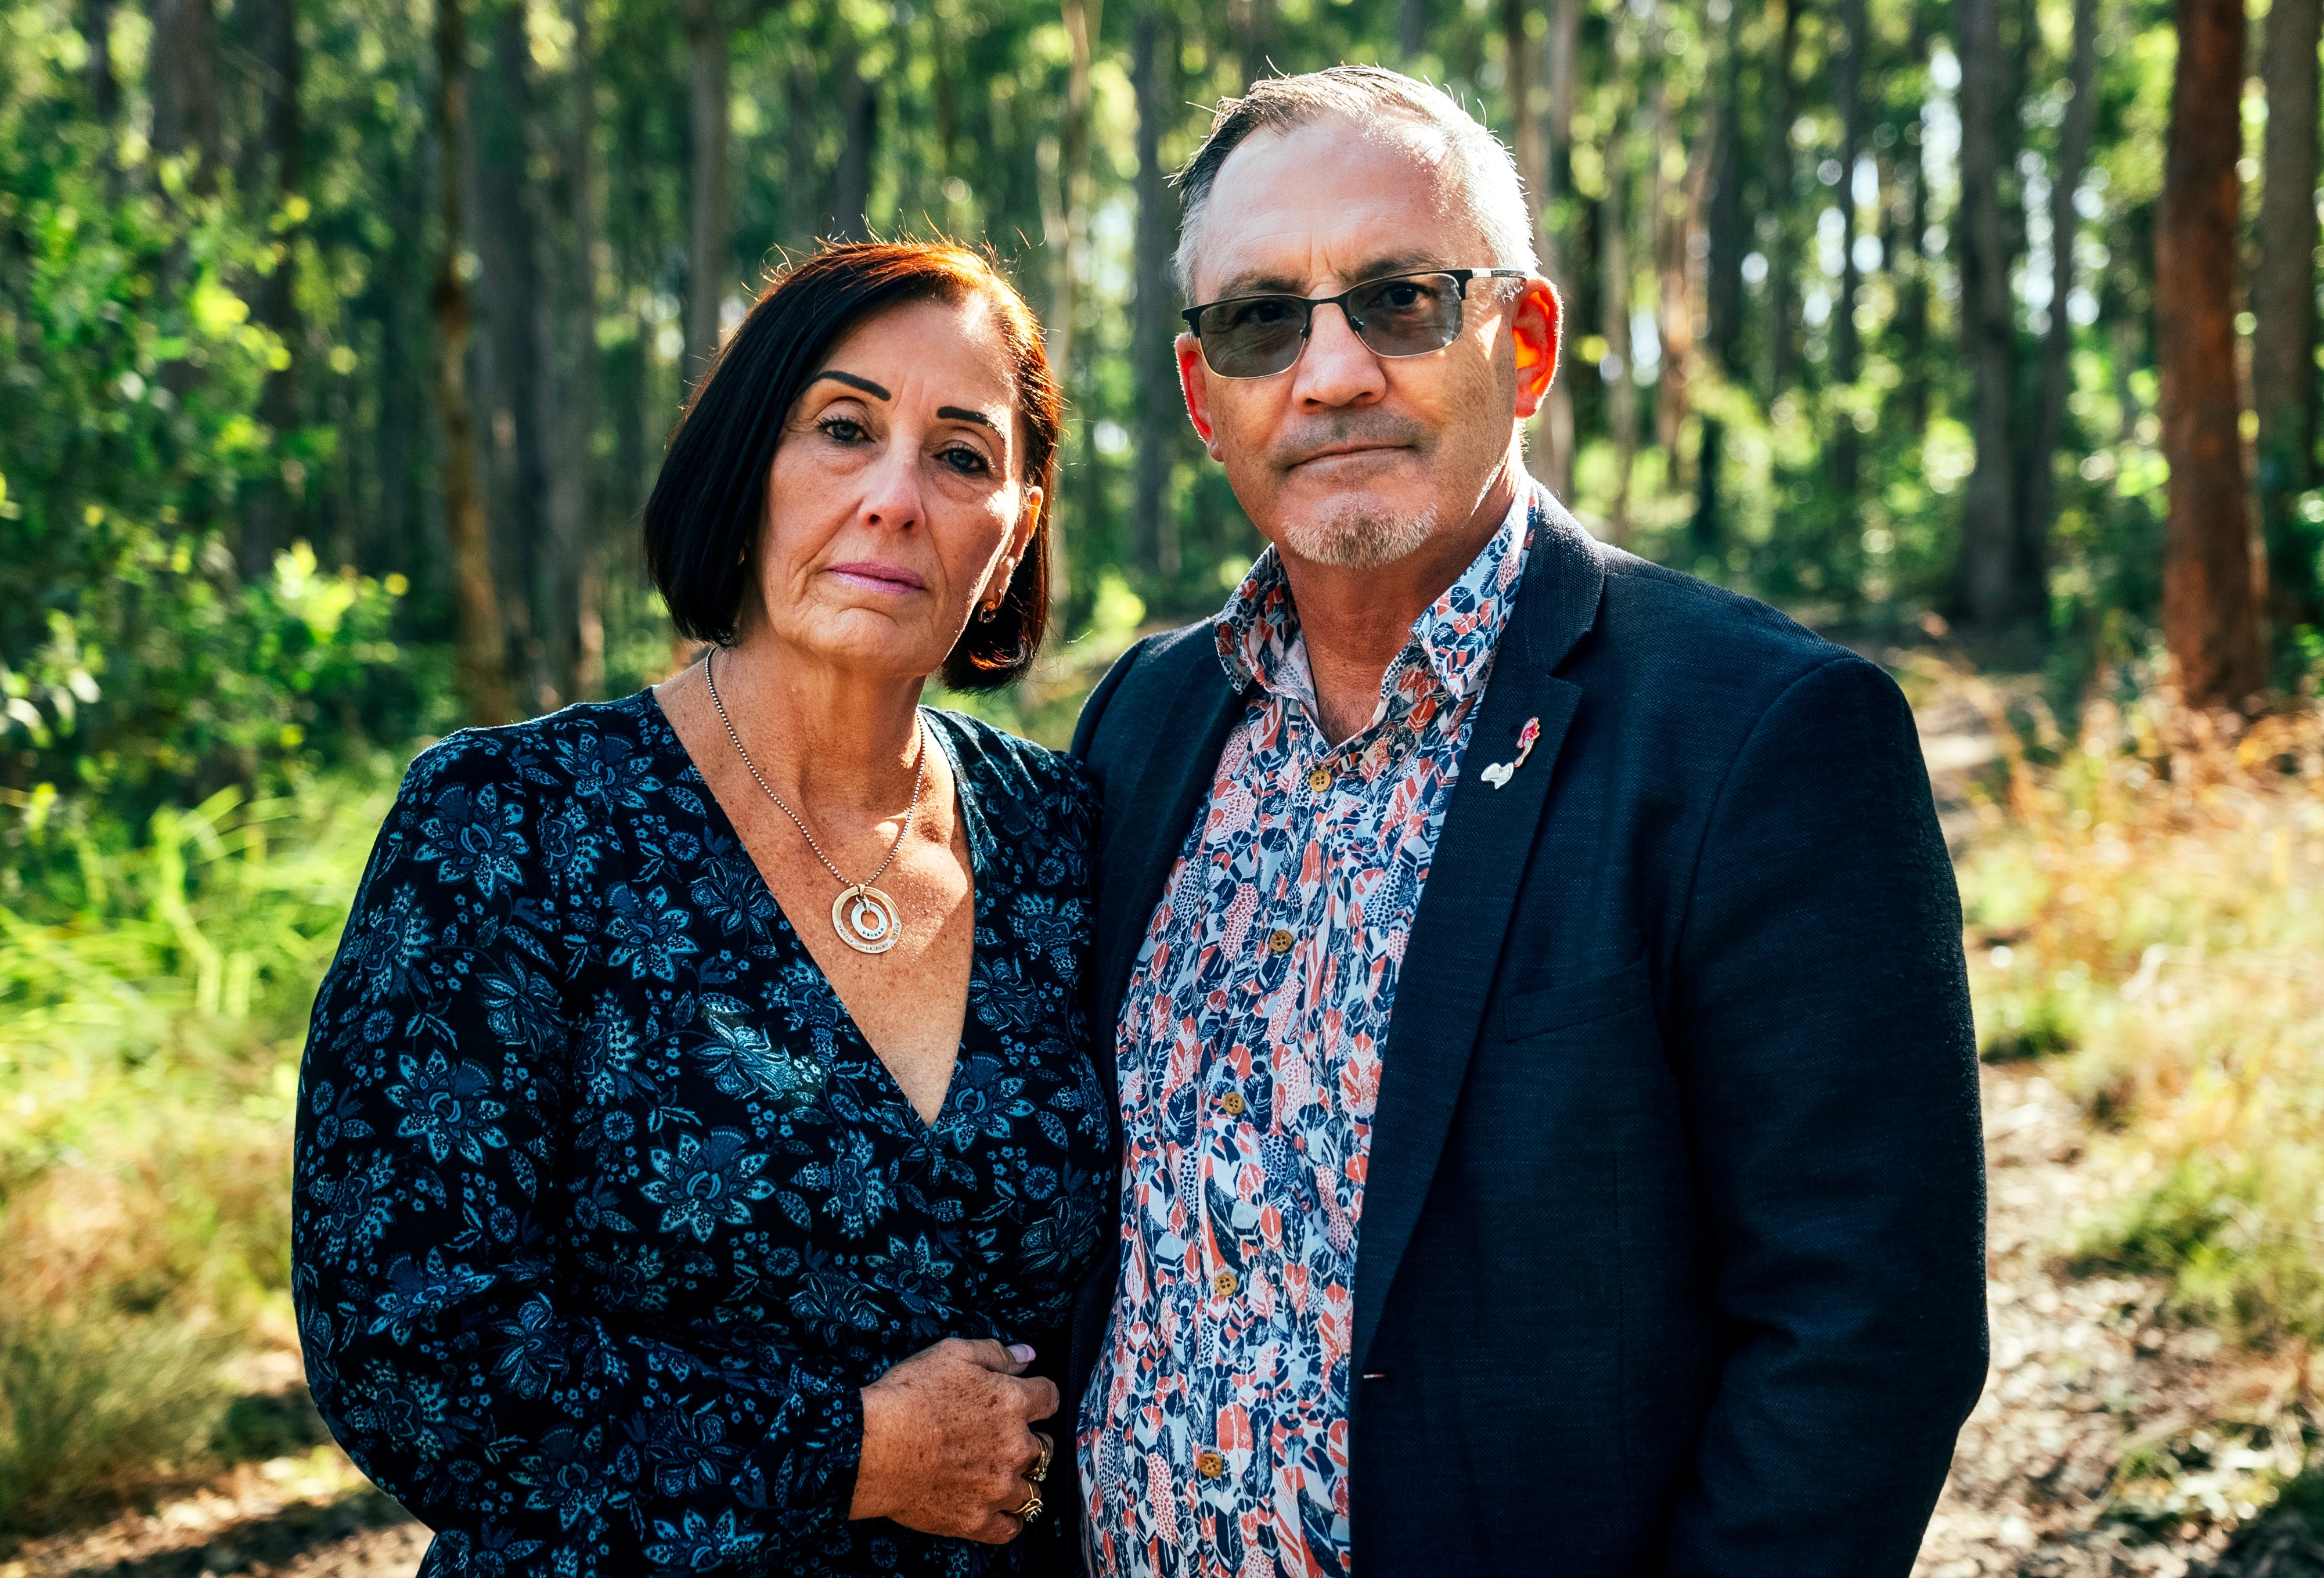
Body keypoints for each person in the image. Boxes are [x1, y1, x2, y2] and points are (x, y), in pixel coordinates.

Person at [1067, 67, 1987, 1576]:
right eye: (1258, 320)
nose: (1331, 371)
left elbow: (1861, 1335)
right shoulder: (1143, 722)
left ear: (1527, 339)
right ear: (1198, 395)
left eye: (1399, 299)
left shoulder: (1759, 735)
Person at [291, 241, 1114, 1575]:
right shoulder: (511, 824)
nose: (896, 499)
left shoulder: (1065, 839)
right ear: (747, 473)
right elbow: (408, 1344)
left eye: (962, 456)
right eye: (843, 430)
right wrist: (854, 1451)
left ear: (1013, 526)